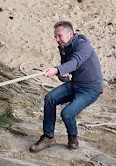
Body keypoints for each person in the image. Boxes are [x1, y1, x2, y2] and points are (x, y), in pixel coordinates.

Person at [29, 21, 104, 152]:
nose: (57, 40)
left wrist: (57, 70)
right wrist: (62, 75)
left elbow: (75, 62)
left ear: (70, 33)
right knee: (50, 98)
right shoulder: (64, 47)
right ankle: (48, 136)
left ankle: (73, 137)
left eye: (59, 36)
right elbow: (66, 71)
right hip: (75, 84)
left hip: (91, 89)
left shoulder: (83, 45)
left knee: (67, 113)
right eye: (55, 37)